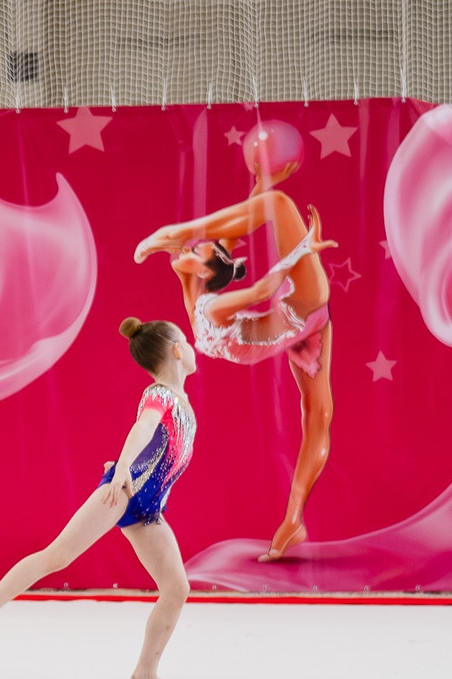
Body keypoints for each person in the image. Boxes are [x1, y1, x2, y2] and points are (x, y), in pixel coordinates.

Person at [0, 317, 199, 679]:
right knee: (58, 555)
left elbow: (158, 446)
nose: (191, 345)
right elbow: (145, 427)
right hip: (121, 492)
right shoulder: (161, 396)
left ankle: (145, 674)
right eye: (185, 339)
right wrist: (122, 469)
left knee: (176, 588)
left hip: (148, 508)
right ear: (176, 350)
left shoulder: (180, 401)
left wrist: (127, 465)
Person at [131, 128, 333, 562]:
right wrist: (303, 251)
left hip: (285, 329)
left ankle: (292, 521)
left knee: (319, 414)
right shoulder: (213, 304)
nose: (194, 252)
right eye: (196, 249)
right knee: (278, 206)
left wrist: (263, 177)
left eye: (196, 248)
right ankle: (176, 229)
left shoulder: (195, 291)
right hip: (300, 310)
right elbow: (261, 284)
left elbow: (230, 240)